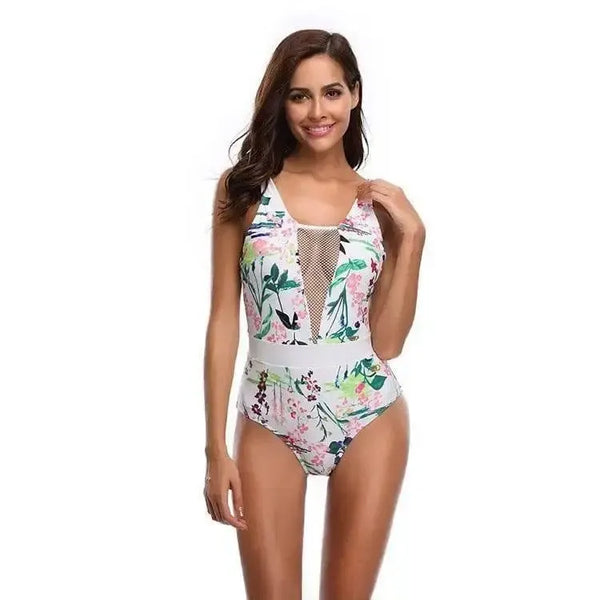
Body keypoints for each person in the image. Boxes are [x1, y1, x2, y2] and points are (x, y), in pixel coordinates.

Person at [203, 29, 425, 599]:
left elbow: (388, 343)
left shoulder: (379, 206)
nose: (317, 111)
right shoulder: (245, 191)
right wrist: (215, 448)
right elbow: (223, 320)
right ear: (281, 102)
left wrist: (414, 238)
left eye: (332, 92)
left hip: (368, 414)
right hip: (269, 415)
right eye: (299, 96)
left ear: (354, 94)